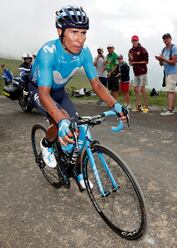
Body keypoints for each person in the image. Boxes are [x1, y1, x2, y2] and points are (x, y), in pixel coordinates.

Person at [29, 5, 126, 190]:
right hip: (39, 90)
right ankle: (47, 143)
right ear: (60, 31)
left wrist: (116, 105)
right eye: (74, 32)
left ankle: (78, 172)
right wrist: (61, 120)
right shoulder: (48, 52)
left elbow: (96, 84)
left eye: (83, 33)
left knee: (79, 130)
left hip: (59, 91)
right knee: (61, 121)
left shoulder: (84, 53)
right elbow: (43, 93)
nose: (79, 39)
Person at [155, 33, 177, 116]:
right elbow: (162, 64)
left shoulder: (174, 48)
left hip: (173, 72)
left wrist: (163, 59)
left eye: (167, 38)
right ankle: (171, 108)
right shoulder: (164, 49)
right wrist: (160, 60)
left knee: (169, 91)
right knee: (171, 91)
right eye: (164, 39)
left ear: (171, 39)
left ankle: (169, 110)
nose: (166, 40)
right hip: (167, 72)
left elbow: (174, 62)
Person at [128, 35, 150, 113]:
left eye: (135, 40)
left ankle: (146, 106)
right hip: (136, 72)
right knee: (135, 89)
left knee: (142, 89)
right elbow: (130, 61)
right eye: (133, 41)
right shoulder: (130, 51)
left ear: (138, 41)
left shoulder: (143, 49)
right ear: (131, 41)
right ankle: (138, 106)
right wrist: (130, 62)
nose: (134, 42)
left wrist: (135, 62)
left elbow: (146, 61)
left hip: (143, 71)